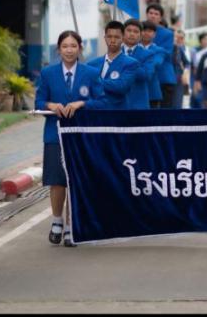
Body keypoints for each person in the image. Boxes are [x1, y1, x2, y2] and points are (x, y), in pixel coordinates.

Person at [35, 30, 105, 247]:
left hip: (81, 135)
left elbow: (102, 102)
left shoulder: (91, 73)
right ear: (58, 49)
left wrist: (81, 103)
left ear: (80, 48)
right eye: (65, 46)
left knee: (75, 181)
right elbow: (38, 102)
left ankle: (71, 226)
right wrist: (51, 105)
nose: (69, 50)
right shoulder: (48, 73)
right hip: (54, 134)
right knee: (57, 181)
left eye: (73, 46)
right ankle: (57, 221)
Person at [86, 21, 140, 109]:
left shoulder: (131, 63)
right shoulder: (92, 63)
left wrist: (95, 81)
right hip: (95, 111)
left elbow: (121, 86)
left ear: (123, 38)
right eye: (109, 36)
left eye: (117, 37)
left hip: (117, 111)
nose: (113, 40)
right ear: (105, 38)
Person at [118, 18, 155, 110]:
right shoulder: (114, 52)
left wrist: (127, 61)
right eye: (129, 30)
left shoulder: (148, 54)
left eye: (135, 31)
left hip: (138, 104)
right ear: (122, 33)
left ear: (141, 35)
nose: (132, 34)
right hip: (117, 104)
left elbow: (146, 75)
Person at [146, 3, 178, 108]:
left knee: (165, 111)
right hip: (145, 79)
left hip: (163, 77)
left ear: (160, 18)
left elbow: (164, 53)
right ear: (146, 14)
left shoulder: (167, 34)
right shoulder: (138, 30)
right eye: (151, 13)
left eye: (156, 14)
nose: (153, 16)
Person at [140, 20, 168, 109]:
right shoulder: (132, 49)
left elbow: (156, 63)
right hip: (134, 92)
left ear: (154, 34)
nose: (146, 33)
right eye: (144, 30)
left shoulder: (159, 50)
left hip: (152, 91)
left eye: (149, 31)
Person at [190, 33, 207, 109]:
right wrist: (196, 80)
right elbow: (194, 66)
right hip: (196, 76)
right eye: (205, 39)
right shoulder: (194, 50)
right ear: (201, 40)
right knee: (196, 96)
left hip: (206, 77)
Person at [173, 30, 190, 109]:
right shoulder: (170, 47)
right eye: (176, 37)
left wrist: (185, 72)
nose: (178, 39)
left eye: (181, 38)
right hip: (168, 82)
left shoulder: (179, 49)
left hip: (179, 80)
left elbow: (187, 63)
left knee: (177, 104)